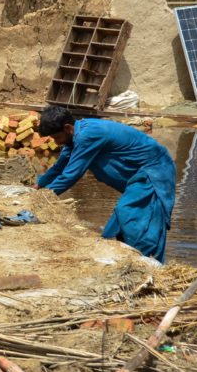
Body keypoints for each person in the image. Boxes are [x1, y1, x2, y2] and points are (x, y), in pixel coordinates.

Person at [35, 106, 176, 262]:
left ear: (67, 128)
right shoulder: (75, 137)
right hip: (140, 175)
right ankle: (130, 260)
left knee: (134, 216)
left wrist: (44, 197)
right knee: (123, 223)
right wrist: (38, 186)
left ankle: (147, 264)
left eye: (56, 137)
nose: (56, 142)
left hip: (153, 171)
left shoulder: (87, 136)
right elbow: (59, 166)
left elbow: (71, 174)